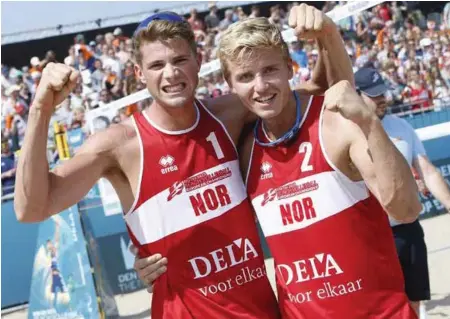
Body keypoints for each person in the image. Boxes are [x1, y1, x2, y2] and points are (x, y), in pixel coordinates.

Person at [14, 5, 354, 319]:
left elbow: (326, 94)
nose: (171, 74)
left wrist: (326, 33)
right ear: (139, 73)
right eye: (157, 65)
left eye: (179, 60)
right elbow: (32, 208)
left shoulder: (228, 115)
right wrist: (40, 109)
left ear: (198, 60)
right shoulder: (120, 145)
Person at [134, 12, 422, 319]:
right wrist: (157, 266)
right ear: (230, 84)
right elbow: (206, 220)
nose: (260, 86)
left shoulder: (335, 127)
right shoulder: (245, 151)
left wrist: (368, 121)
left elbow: (406, 210)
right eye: (245, 77)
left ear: (289, 67)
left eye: (269, 70)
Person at [354, 67, 450, 316]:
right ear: (357, 95)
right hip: (372, 235)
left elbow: (427, 171)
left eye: (383, 93)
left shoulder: (402, 126)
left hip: (408, 229)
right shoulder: (349, 133)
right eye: (374, 95)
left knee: (414, 302)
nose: (382, 99)